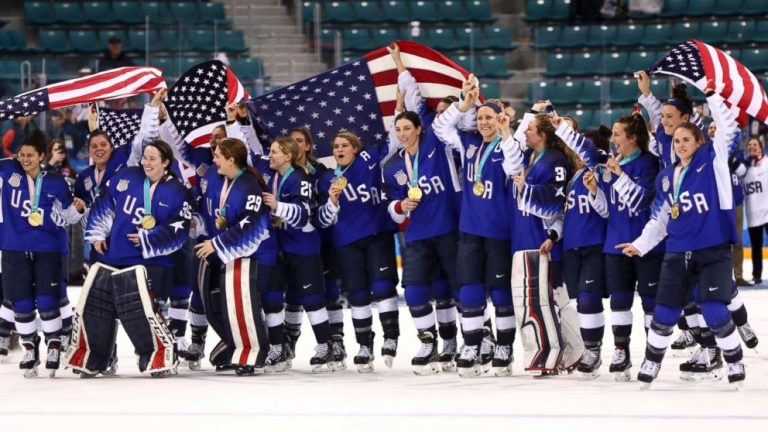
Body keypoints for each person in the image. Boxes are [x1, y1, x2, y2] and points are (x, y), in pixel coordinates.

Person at [619, 88, 746, 388]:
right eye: (677, 140)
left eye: (687, 139)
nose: (681, 144)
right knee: (664, 312)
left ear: (699, 142)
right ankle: (652, 360)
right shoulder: (667, 177)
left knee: (714, 310)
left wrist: (713, 96)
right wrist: (640, 244)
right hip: (677, 252)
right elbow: (661, 219)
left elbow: (728, 127)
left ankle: (735, 359)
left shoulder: (713, 165)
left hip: (712, 250)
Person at [69, 140, 191, 377]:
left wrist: (149, 238)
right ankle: (98, 358)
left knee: (144, 311)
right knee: (97, 309)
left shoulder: (177, 191)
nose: (146, 162)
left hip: (152, 262)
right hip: (114, 257)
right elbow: (104, 204)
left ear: (166, 162)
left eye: (153, 158)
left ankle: (159, 356)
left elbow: (181, 228)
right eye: (145, 157)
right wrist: (96, 234)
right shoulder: (126, 177)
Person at [556, 109, 662, 381]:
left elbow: (640, 203)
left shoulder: (650, 163)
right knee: (620, 302)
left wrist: (618, 176)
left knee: (650, 303)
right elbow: (605, 208)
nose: (613, 140)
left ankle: (651, 356)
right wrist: (563, 129)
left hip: (645, 244)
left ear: (633, 138)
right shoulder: (610, 164)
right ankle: (621, 351)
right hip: (615, 244)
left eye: (617, 135)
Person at [432, 80, 520, 377]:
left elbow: (514, 166)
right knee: (469, 289)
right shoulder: (468, 143)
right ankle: (471, 344)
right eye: (480, 118)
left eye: (489, 117)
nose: (483, 122)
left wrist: (506, 132)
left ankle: (504, 347)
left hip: (498, 231)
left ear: (500, 119)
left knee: (499, 292)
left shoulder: (509, 145)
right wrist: (464, 104)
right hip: (469, 229)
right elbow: (440, 129)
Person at [383, 110, 463, 375]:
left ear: (419, 129)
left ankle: (453, 341)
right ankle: (428, 343)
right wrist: (400, 205)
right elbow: (392, 207)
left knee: (451, 290)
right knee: (415, 291)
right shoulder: (393, 166)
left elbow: (442, 122)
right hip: (417, 234)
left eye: (407, 128)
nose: (403, 134)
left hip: (449, 228)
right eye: (398, 129)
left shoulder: (436, 146)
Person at [0, 130, 86, 377]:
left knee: (48, 301)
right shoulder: (7, 172)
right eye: (21, 154)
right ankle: (29, 348)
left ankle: (54, 345)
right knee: (22, 303)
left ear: (41, 156)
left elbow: (69, 217)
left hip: (49, 248)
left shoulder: (56, 182)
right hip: (14, 246)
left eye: (30, 155)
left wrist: (77, 210)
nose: (24, 159)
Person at [316, 130, 400, 372]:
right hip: (346, 242)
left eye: (344, 145)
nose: (339, 150)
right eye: (335, 146)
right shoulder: (328, 180)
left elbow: (394, 139)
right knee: (358, 295)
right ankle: (365, 345)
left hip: (376, 234)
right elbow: (322, 220)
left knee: (383, 287)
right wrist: (331, 201)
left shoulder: (369, 159)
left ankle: (391, 336)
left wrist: (402, 99)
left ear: (355, 148)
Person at [193, 138, 272, 375]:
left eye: (218, 155)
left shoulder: (248, 184)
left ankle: (250, 355)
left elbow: (249, 224)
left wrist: (216, 244)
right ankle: (235, 347)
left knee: (242, 305)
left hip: (249, 255)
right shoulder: (223, 180)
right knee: (222, 305)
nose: (214, 159)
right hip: (228, 253)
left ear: (231, 159)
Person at [262, 136, 335, 372]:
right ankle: (277, 347)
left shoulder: (299, 178)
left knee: (312, 298)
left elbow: (303, 214)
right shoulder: (270, 175)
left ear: (288, 156)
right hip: (277, 246)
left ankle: (326, 345)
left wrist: (277, 207)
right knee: (272, 298)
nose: (270, 155)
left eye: (274, 152)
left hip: (303, 246)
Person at [557, 124, 611, 378]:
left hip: (593, 246)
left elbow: (605, 211)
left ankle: (593, 351)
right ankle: (588, 347)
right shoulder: (573, 177)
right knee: (579, 302)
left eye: (583, 150)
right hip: (571, 247)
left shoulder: (601, 174)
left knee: (590, 299)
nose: (578, 155)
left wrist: (594, 192)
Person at [742, 136, 768, 285]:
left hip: (767, 211)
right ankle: (756, 275)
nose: (752, 147)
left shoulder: (766, 162)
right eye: (749, 145)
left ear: (760, 147)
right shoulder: (744, 168)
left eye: (755, 144)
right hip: (753, 213)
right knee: (756, 248)